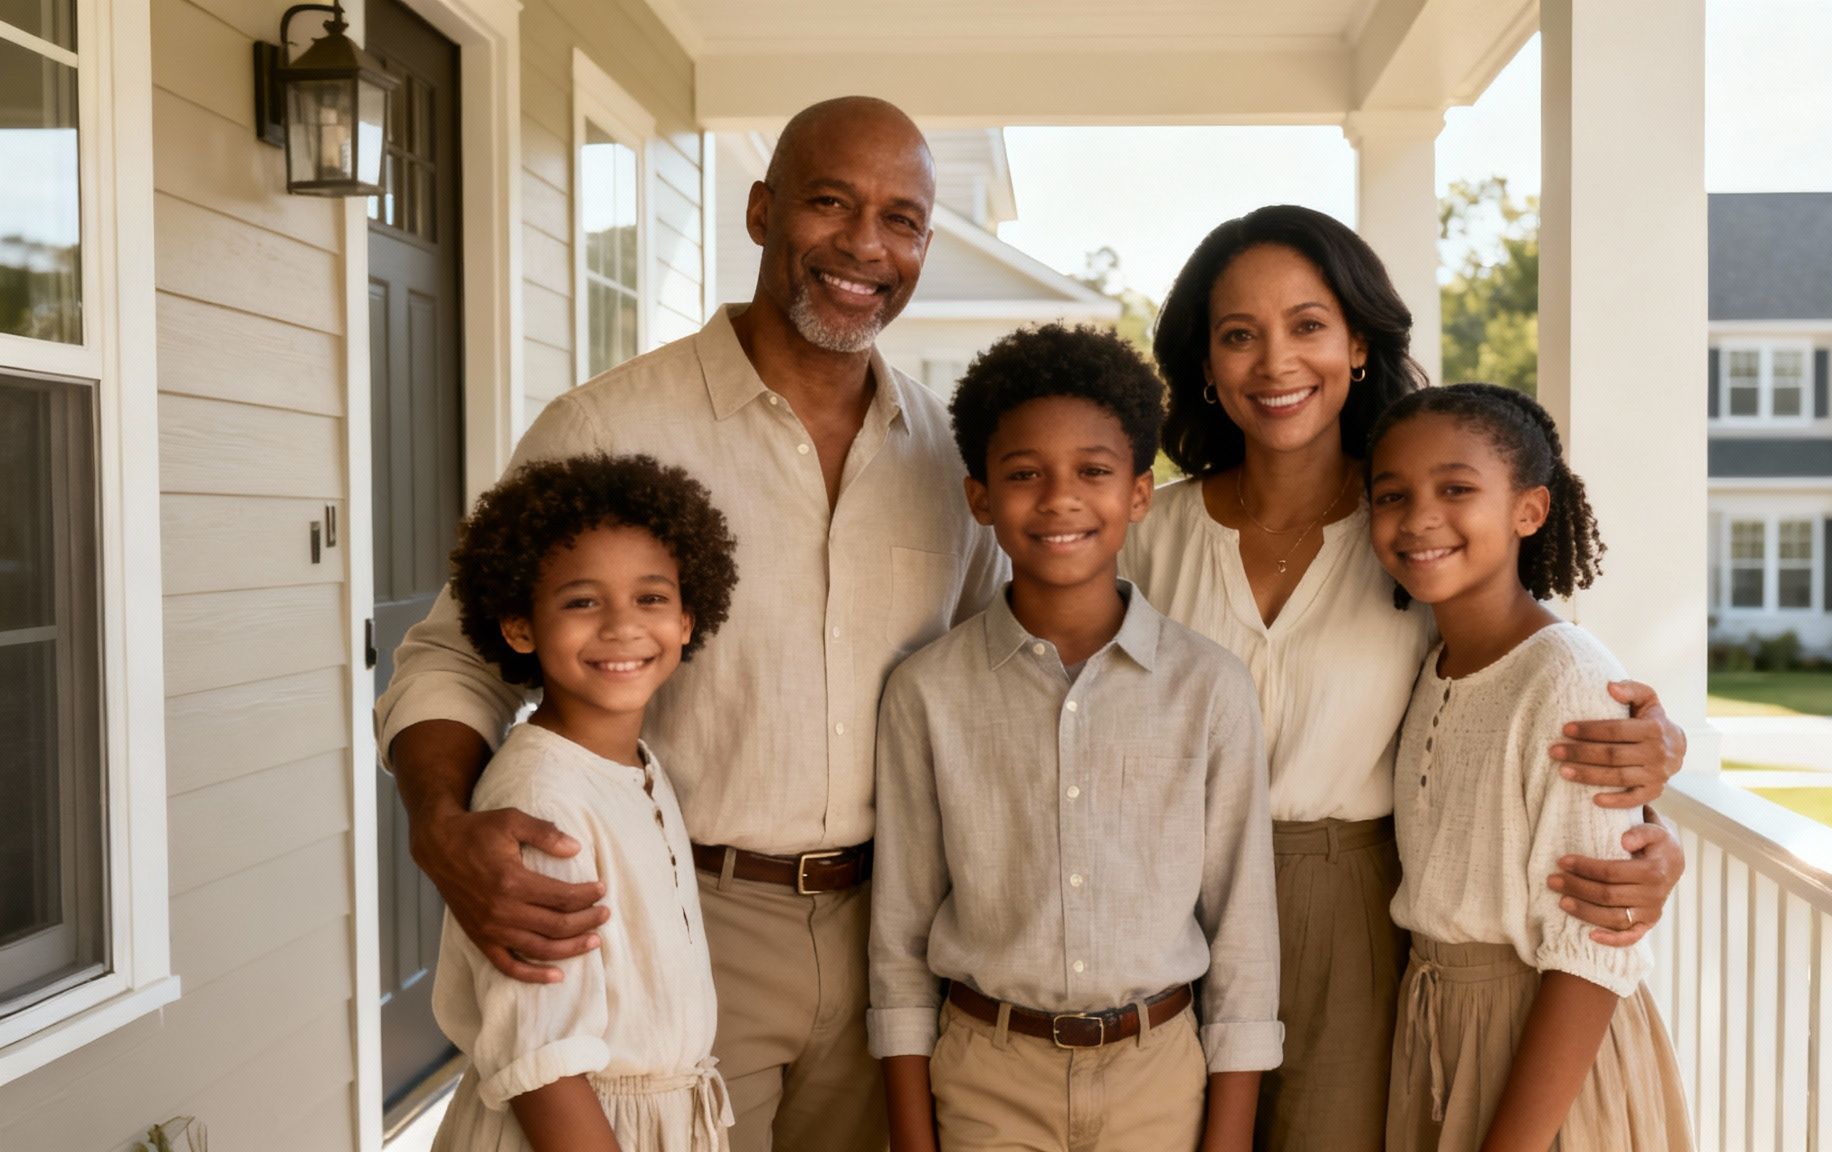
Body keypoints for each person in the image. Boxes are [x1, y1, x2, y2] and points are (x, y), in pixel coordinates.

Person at [375, 96, 1005, 1152]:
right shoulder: (608, 426)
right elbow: (451, 651)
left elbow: (998, 675)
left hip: (888, 932)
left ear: (925, 246)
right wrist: (441, 829)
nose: (863, 244)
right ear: (760, 212)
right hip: (671, 915)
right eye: (829, 202)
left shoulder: (949, 460)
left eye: (900, 219)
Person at [1122, 205, 1686, 1150]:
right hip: (1165, 896)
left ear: (1355, 344)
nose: (1275, 362)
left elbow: (1529, 683)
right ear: (1206, 365)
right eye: (1238, 335)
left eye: (1308, 325)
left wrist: (1650, 793)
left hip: (1355, 912)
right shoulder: (1148, 532)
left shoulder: (1413, 532)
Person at [869, 324, 1283, 1152]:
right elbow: (899, 939)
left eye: (1093, 472)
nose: (1059, 498)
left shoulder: (1209, 688)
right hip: (986, 1076)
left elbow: (1243, 936)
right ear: (979, 497)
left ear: (1139, 493)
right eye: (1024, 475)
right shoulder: (927, 693)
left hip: (1158, 1075)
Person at [1367, 383, 1689, 1151]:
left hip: (1543, 1053)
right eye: (1391, 495)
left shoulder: (1567, 678)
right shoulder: (1430, 660)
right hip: (1439, 1028)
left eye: (1456, 489)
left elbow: (1591, 952)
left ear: (1529, 511)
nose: (1419, 518)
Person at [429, 453, 740, 1152]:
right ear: (519, 626)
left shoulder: (635, 764)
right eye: (581, 601)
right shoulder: (543, 804)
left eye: (651, 598)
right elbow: (545, 1065)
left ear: (688, 619)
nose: (622, 626)